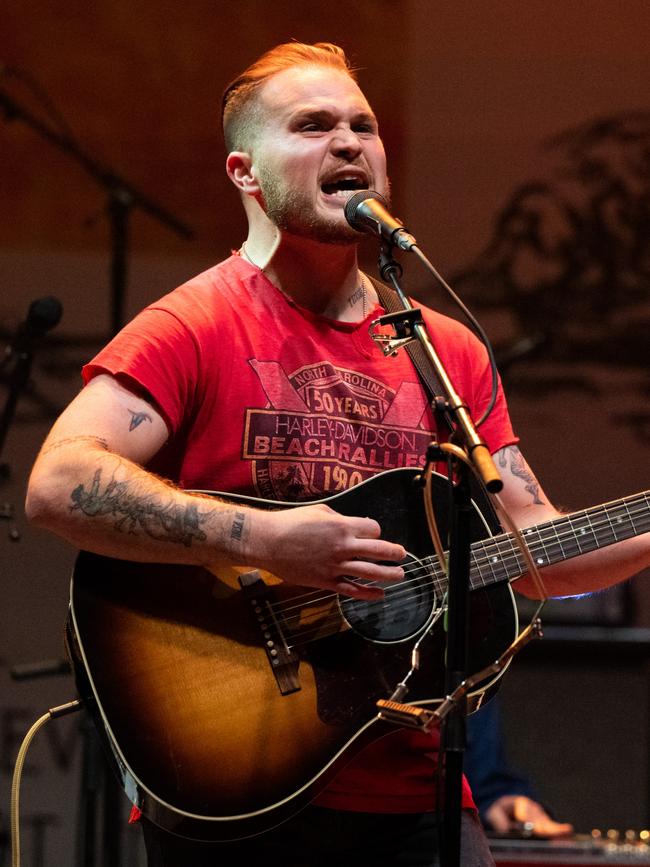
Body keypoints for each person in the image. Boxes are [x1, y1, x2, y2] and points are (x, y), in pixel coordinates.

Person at [25, 42, 649, 867]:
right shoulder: (196, 324)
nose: (349, 142)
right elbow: (61, 480)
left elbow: (532, 544)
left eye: (364, 125)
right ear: (246, 173)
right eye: (314, 125)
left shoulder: (445, 350)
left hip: (416, 786)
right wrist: (263, 540)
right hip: (234, 773)